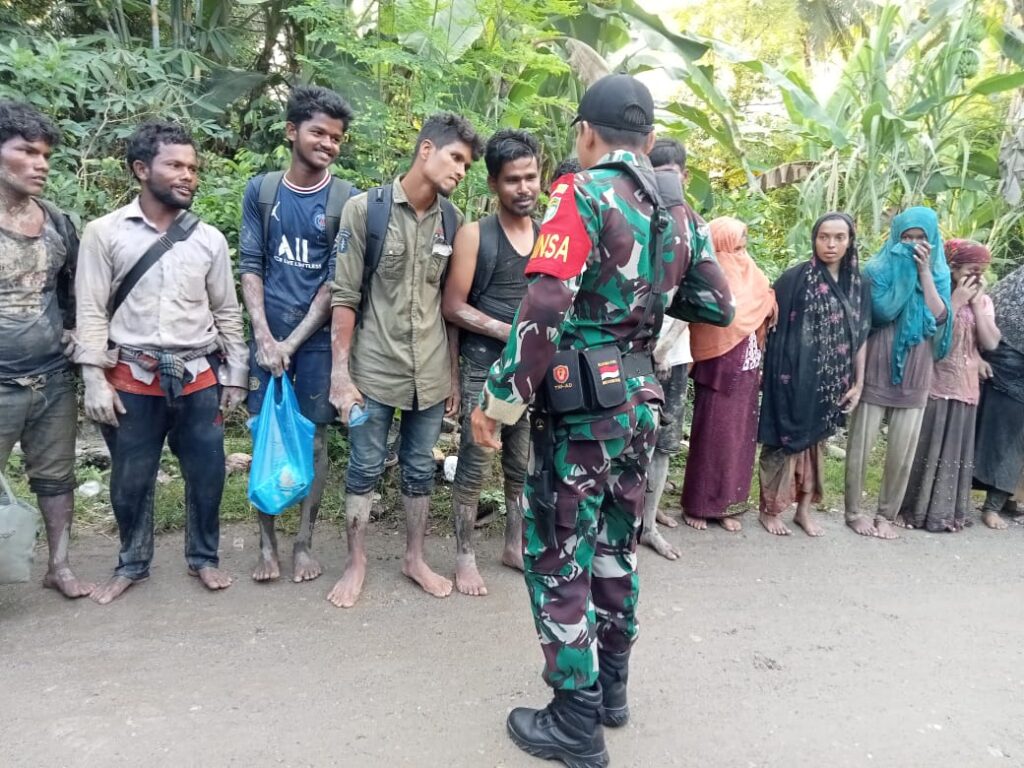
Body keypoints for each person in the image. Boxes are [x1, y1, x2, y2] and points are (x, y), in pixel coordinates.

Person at [471, 74, 732, 768]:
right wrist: (641, 308)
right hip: (643, 403)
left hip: (584, 413)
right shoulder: (675, 209)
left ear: (585, 134)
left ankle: (574, 720)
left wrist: (499, 401)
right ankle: (612, 690)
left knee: (559, 554)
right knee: (617, 546)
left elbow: (548, 303)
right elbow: (715, 303)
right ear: (647, 142)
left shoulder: (581, 192)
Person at [74, 120, 248, 604]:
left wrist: (236, 372)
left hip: (198, 376)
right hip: (131, 375)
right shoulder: (105, 234)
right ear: (140, 169)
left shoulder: (208, 239)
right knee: (131, 478)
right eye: (174, 165)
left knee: (208, 473)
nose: (187, 175)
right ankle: (132, 562)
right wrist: (93, 379)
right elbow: (90, 310)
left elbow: (226, 309)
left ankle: (205, 559)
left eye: (192, 167)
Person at [327, 112, 483, 608]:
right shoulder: (365, 210)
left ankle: (414, 558)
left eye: (467, 164)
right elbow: (345, 296)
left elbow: (450, 306)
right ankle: (357, 561)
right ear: (425, 150)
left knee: (420, 467)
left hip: (432, 372)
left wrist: (454, 376)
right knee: (365, 465)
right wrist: (339, 376)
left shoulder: (453, 221)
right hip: (374, 369)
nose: (460, 170)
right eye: (455, 157)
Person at [239, 85, 357, 583]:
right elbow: (251, 266)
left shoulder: (345, 200)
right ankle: (267, 543)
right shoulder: (261, 191)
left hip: (315, 347)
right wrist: (265, 337)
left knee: (314, 441)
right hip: (267, 339)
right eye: (318, 132)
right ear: (292, 132)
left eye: (336, 137)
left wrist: (290, 343)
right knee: (264, 435)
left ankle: (303, 543)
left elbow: (335, 282)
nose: (328, 143)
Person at [442, 129, 541, 596]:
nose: (523, 188)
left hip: (531, 371)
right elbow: (453, 306)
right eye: (512, 180)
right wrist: (510, 332)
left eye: (530, 177)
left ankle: (514, 544)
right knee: (477, 461)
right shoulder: (474, 235)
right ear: (493, 185)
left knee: (522, 464)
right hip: (485, 367)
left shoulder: (548, 237)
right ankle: (464, 556)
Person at [0, 101, 91, 598]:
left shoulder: (56, 220)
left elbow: (72, 290)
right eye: (27, 152)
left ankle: (59, 564)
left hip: (50, 378)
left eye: (46, 155)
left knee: (56, 477)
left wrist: (75, 333)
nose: (40, 164)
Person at [757, 213, 870, 536]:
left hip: (830, 384)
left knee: (817, 446)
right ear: (814, 238)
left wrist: (859, 383)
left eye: (839, 237)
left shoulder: (859, 287)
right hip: (790, 379)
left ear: (850, 241)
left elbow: (861, 337)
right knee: (781, 443)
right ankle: (770, 509)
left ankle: (803, 510)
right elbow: (769, 325)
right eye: (824, 237)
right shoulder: (794, 279)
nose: (831, 244)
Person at [844, 206, 951, 540]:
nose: (914, 243)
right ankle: (853, 511)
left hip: (918, 366)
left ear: (932, 240)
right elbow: (880, 312)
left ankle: (886, 514)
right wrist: (904, 272)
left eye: (921, 238)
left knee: (902, 450)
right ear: (896, 237)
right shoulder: (876, 269)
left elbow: (941, 316)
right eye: (907, 237)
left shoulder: (940, 274)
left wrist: (922, 274)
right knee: (861, 443)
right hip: (878, 360)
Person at [682, 216, 776, 532]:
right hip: (718, 367)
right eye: (733, 247)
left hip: (748, 365)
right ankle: (698, 504)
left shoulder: (751, 272)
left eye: (742, 246)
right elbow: (706, 321)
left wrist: (764, 308)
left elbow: (766, 299)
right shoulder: (709, 278)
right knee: (711, 437)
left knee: (739, 439)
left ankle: (728, 504)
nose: (739, 253)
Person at [898, 239, 999, 532]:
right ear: (953, 269)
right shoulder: (938, 294)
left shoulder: (984, 301)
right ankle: (913, 511)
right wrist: (956, 302)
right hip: (935, 380)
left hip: (966, 386)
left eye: (981, 271)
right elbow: (930, 330)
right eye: (971, 269)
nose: (976, 276)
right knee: (926, 446)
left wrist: (977, 305)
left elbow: (991, 342)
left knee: (956, 449)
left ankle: (945, 514)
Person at [641, 137, 704, 559]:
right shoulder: (636, 213)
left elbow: (694, 299)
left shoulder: (694, 226)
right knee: (629, 440)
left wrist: (662, 352)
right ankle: (625, 520)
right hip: (632, 352)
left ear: (684, 176)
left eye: (673, 176)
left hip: (672, 355)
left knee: (663, 442)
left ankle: (647, 523)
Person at [972, 263, 1024, 529]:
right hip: (1002, 361)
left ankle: (998, 503)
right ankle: (985, 504)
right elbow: (989, 314)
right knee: (986, 437)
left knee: (1015, 443)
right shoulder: (1017, 281)